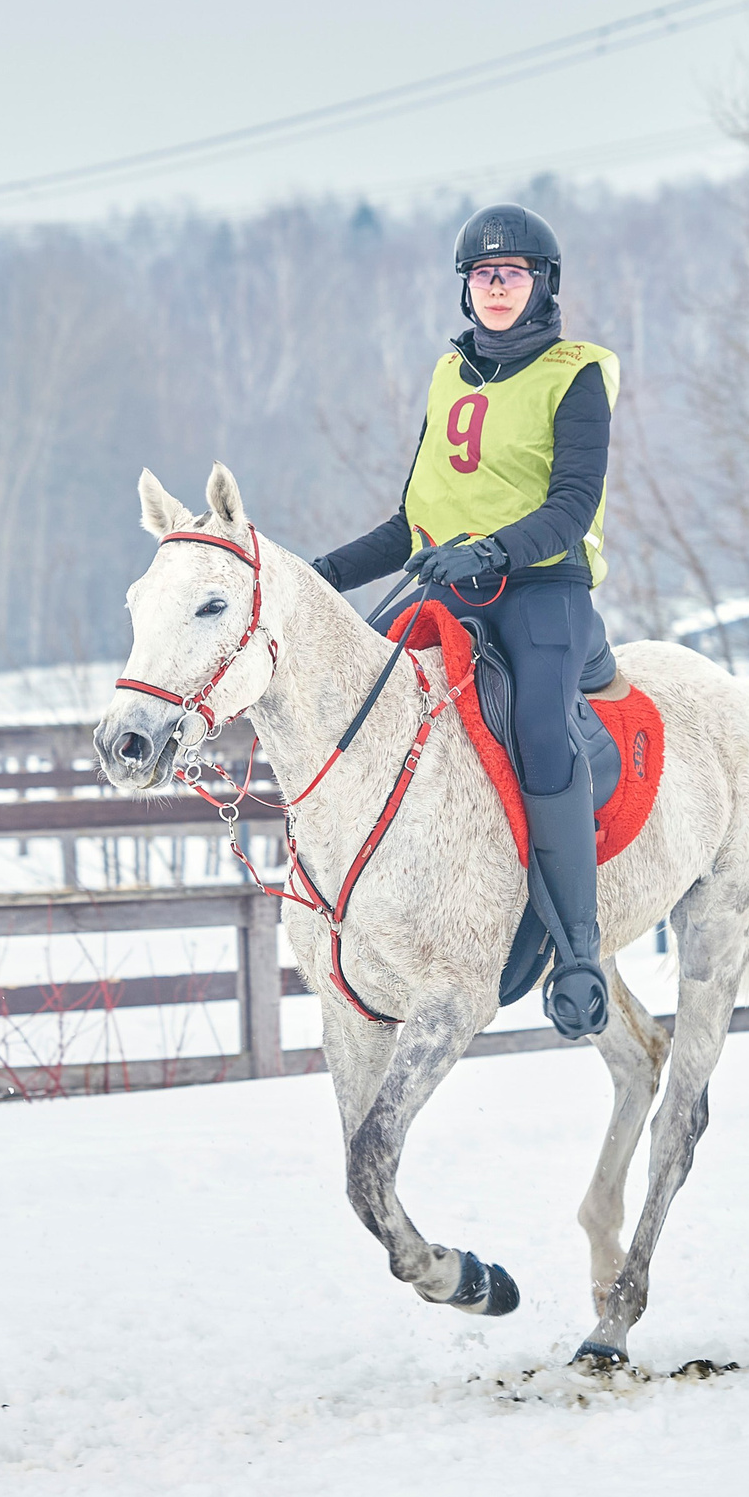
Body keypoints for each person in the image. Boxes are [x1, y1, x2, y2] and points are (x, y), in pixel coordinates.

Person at [310, 202, 619, 1039]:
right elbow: (413, 519)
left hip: (542, 589)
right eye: (483, 276)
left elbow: (571, 506)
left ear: (542, 285)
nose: (495, 289)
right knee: (366, 700)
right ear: (465, 289)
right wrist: (323, 576)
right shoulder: (451, 375)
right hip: (449, 581)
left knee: (543, 736)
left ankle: (579, 955)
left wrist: (489, 554)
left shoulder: (576, 374)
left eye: (511, 276)